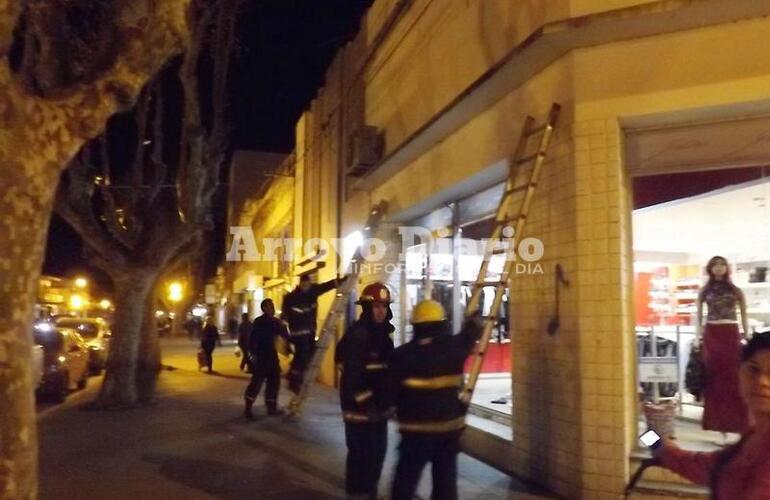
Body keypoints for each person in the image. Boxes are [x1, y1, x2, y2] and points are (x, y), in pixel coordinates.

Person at [655, 332, 770, 498]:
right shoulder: (749, 440)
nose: (762, 381)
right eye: (753, 369)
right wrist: (648, 437)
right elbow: (699, 466)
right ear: (739, 373)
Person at [387, 300, 482, 500]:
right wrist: (473, 320)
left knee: (405, 481)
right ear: (441, 323)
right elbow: (470, 335)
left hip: (414, 433)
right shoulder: (454, 348)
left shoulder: (401, 355)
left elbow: (390, 393)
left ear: (415, 325)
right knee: (445, 485)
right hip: (447, 433)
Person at [335, 282, 395, 500]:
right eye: (377, 306)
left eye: (384, 306)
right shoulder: (358, 335)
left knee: (377, 453)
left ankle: (369, 491)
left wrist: (390, 402)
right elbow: (352, 375)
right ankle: (357, 493)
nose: (381, 311)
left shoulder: (384, 335)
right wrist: (368, 403)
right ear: (367, 308)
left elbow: (386, 372)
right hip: (359, 408)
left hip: (377, 409)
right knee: (361, 454)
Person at [696, 256, 751, 434]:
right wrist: (698, 335)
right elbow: (698, 315)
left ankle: (736, 424)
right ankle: (718, 425)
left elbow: (744, 313)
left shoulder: (735, 290)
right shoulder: (705, 291)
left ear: (727, 268)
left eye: (722, 265)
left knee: (733, 378)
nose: (719, 268)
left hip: (731, 333)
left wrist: (747, 333)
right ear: (710, 269)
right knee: (714, 378)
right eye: (715, 265)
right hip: (712, 333)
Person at [281, 273, 348, 394]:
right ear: (300, 284)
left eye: (308, 285)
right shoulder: (290, 298)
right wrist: (285, 337)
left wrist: (340, 280)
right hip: (297, 332)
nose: (306, 287)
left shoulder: (313, 291)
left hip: (310, 331)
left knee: (307, 355)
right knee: (303, 355)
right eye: (304, 285)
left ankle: (293, 375)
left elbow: (327, 286)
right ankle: (295, 382)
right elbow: (284, 317)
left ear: (310, 284)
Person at [244, 299, 290, 418]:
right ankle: (248, 408)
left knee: (274, 383)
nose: (273, 309)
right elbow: (252, 340)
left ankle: (271, 407)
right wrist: (251, 355)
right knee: (256, 384)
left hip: (271, 357)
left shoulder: (276, 322)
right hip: (261, 357)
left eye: (273, 306)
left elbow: (285, 336)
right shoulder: (260, 322)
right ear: (264, 308)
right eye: (270, 306)